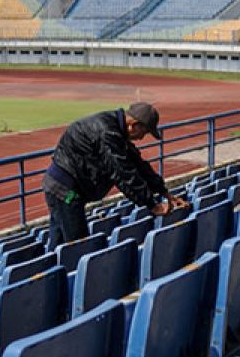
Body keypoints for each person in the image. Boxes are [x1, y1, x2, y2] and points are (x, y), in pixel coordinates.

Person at [42, 101, 189, 249]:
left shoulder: (116, 131)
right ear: (133, 124)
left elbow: (138, 164)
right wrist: (152, 205)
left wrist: (165, 193)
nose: (141, 138)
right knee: (77, 246)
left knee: (59, 241)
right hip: (65, 190)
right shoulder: (107, 133)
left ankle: (52, 269)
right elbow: (122, 172)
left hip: (66, 187)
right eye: (143, 132)